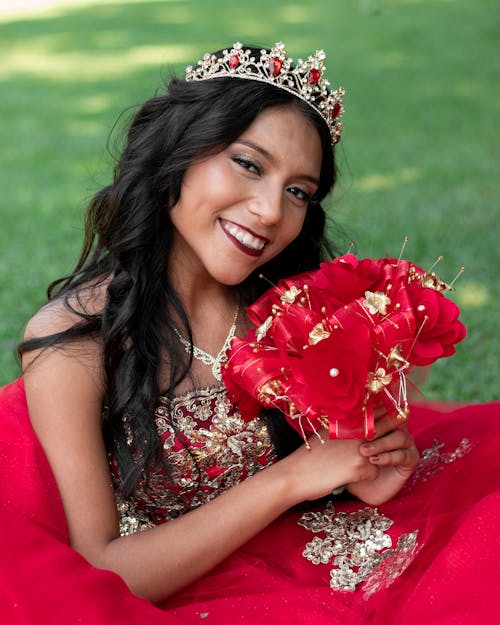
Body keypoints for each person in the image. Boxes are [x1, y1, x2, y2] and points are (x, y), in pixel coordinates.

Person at [0, 42, 499, 625]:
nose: (269, 211)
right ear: (177, 155)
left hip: (317, 546)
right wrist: (292, 478)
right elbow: (104, 570)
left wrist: (366, 466)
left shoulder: (291, 303)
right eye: (249, 163)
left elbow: (333, 450)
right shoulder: (80, 340)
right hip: (189, 590)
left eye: (298, 191)